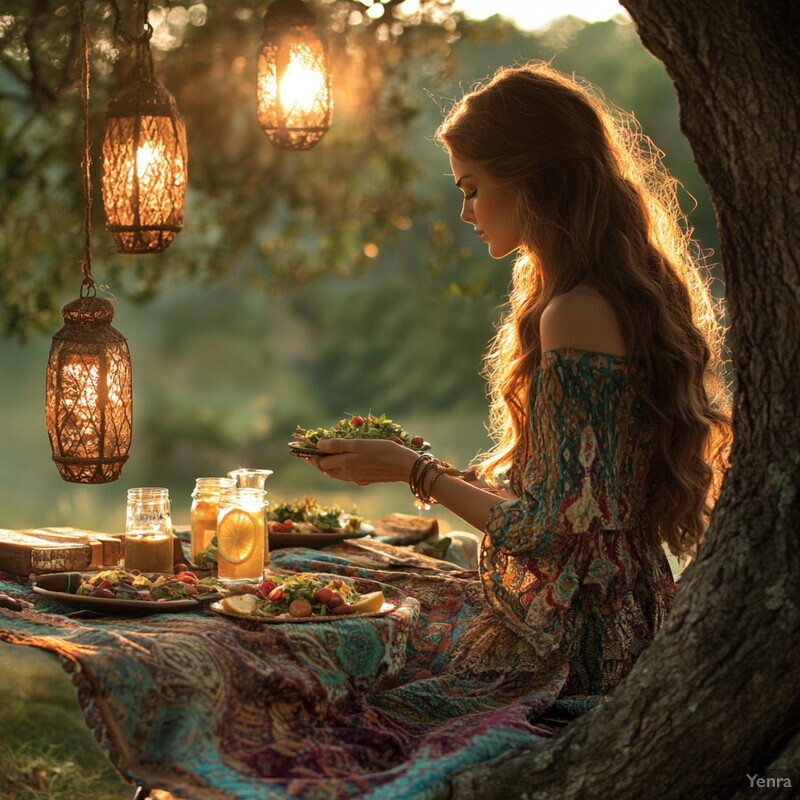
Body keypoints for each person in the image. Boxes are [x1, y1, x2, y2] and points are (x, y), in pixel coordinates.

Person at [308, 62, 732, 695]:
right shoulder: (600, 296)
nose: (466, 209)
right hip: (609, 609)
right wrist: (428, 467)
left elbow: (548, 532)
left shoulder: (577, 313)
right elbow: (574, 505)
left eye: (473, 187)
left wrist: (413, 471)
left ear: (531, 178)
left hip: (579, 636)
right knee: (364, 593)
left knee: (348, 658)